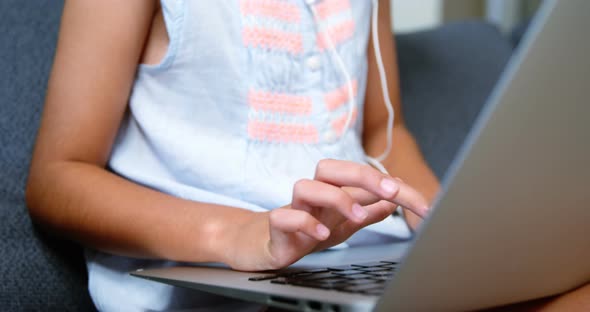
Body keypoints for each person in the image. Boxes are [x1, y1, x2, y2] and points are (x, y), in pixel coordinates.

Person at [25, 1, 588, 311]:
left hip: (353, 262)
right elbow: (58, 177)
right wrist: (241, 236)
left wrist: (452, 236)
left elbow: (381, 139)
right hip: (205, 276)